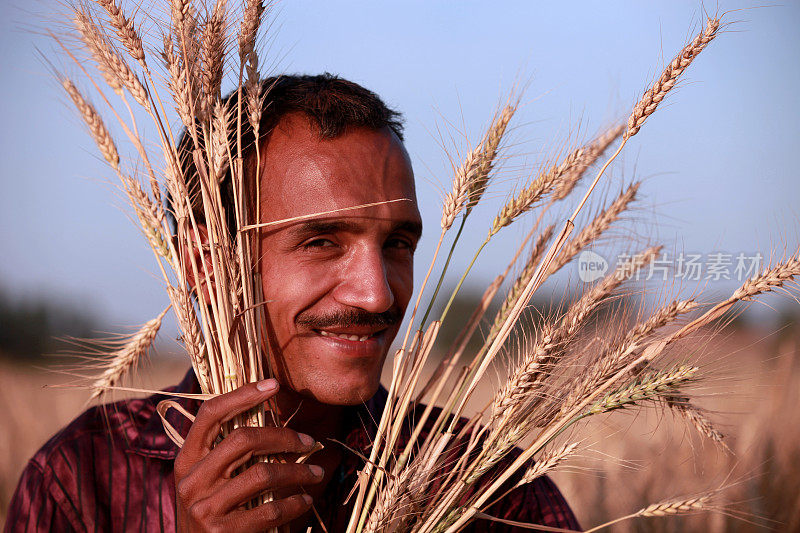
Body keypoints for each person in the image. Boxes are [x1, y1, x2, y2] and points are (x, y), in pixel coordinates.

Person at [5, 74, 580, 532]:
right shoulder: (83, 482)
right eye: (321, 241)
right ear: (208, 265)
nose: (377, 292)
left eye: (398, 244)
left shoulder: (490, 487)